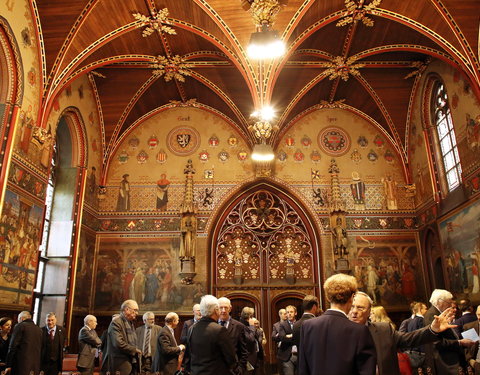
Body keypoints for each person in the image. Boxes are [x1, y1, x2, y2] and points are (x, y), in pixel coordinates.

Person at [350, 292, 456, 375]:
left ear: (369, 311)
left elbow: (409, 338)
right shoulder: (338, 332)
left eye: (360, 308)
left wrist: (432, 329)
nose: (354, 311)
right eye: (351, 307)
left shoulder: (383, 330)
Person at [299, 273, 376, 375]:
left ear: (328, 297)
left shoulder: (307, 326)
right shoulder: (359, 331)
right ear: (352, 297)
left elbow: (303, 369)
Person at [423, 289, 474, 374]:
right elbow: (437, 342)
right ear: (440, 302)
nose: (451, 306)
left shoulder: (437, 313)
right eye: (449, 303)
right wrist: (459, 342)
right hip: (444, 363)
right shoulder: (432, 315)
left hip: (448, 361)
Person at [187, 295, 237, 374]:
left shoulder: (191, 329)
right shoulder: (220, 330)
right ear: (215, 310)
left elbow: (189, 354)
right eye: (219, 309)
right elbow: (231, 358)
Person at [107, 299, 142, 375]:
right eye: (135, 310)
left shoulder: (130, 323)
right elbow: (118, 343)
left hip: (130, 362)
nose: (137, 313)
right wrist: (134, 349)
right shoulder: (116, 322)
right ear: (127, 309)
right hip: (120, 364)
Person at [218, 296, 249, 374]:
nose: (223, 311)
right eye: (221, 308)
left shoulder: (239, 326)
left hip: (233, 370)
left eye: (226, 308)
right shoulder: (211, 325)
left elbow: (243, 351)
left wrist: (241, 368)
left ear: (230, 308)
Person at [5, 311, 42, 375]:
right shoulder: (39, 330)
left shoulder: (20, 326)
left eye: (18, 320)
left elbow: (12, 346)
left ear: (21, 319)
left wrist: (8, 364)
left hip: (20, 367)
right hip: (35, 367)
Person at [277, 305, 298, 375]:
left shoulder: (300, 324)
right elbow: (283, 338)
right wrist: (295, 337)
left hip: (299, 355)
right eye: (287, 312)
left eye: (291, 312)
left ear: (295, 313)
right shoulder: (282, 325)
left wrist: (290, 336)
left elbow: (302, 338)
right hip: (287, 356)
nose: (289, 314)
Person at [463, 305, 480, 374]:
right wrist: (470, 361)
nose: (479, 317)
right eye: (478, 314)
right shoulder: (470, 327)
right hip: (476, 364)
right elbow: (466, 347)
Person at [272, 308, 287, 375]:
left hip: (289, 347)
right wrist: (280, 335)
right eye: (284, 314)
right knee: (281, 368)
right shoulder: (276, 325)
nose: (286, 315)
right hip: (280, 348)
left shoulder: (289, 323)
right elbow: (273, 337)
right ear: (280, 315)